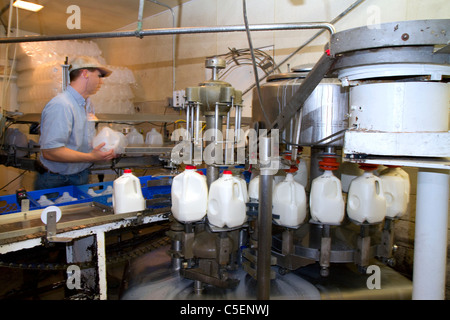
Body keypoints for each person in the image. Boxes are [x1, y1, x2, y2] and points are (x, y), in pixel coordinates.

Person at [35, 56, 117, 190]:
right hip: (56, 180)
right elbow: (50, 152)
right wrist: (91, 157)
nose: (101, 82)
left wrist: (104, 149)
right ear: (85, 73)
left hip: (80, 175)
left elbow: (82, 140)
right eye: (99, 76)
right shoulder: (62, 105)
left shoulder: (87, 105)